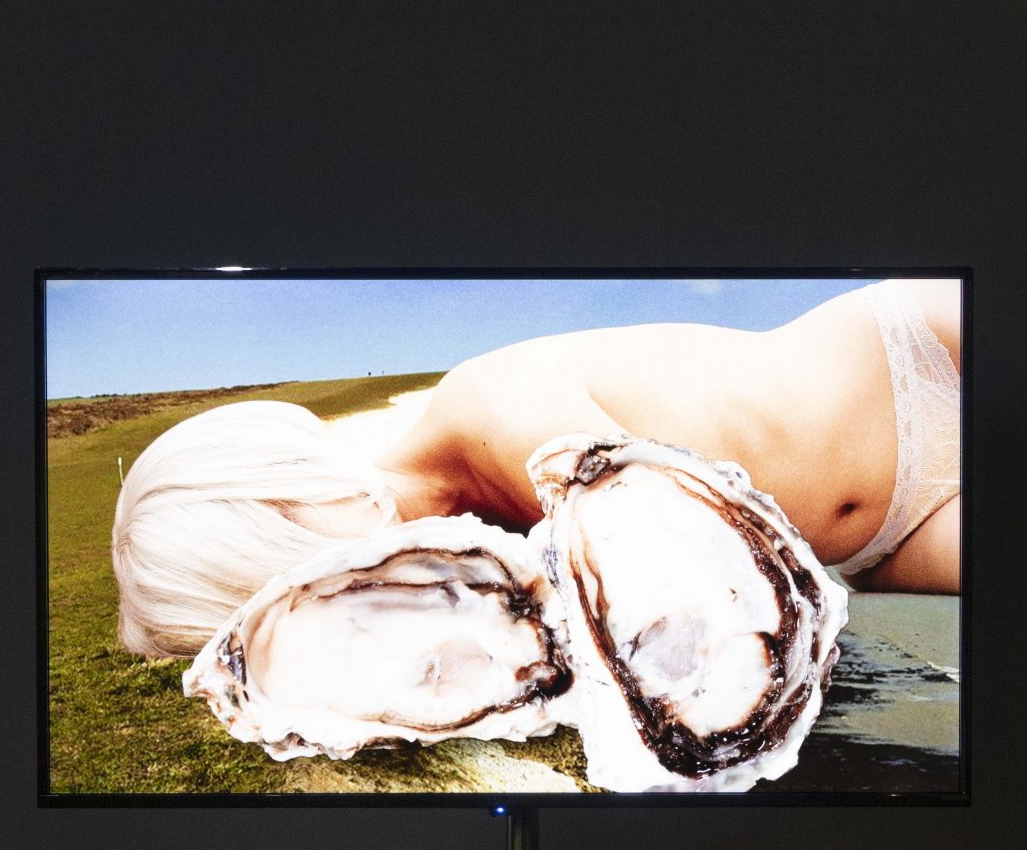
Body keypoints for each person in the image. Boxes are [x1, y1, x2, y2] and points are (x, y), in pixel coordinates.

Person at [110, 278, 962, 658]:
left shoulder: (487, 408)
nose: (332, 592)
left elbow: (705, 566)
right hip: (879, 541)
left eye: (284, 568)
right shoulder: (466, 559)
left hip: (914, 361)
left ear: (287, 487)